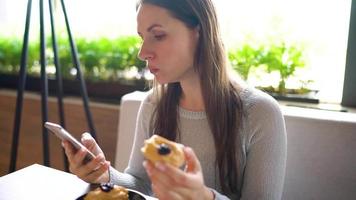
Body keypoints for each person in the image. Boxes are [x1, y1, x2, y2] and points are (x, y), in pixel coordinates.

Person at [63, 0, 287, 199]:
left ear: (199, 32)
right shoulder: (153, 104)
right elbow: (142, 184)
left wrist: (204, 197)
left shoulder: (260, 113)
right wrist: (103, 173)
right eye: (142, 38)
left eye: (158, 35)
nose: (143, 52)